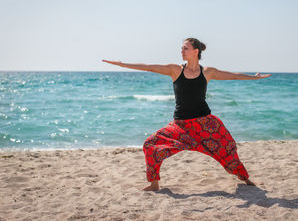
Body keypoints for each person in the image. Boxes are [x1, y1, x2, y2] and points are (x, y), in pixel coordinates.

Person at [102, 37, 271, 191]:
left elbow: (233, 76)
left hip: (205, 124)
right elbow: (149, 67)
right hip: (180, 126)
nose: (181, 51)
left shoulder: (207, 72)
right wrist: (122, 64)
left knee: (227, 148)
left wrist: (253, 77)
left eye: (185, 48)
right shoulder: (175, 70)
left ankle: (246, 179)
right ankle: (154, 184)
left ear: (195, 51)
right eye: (181, 49)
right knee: (149, 144)